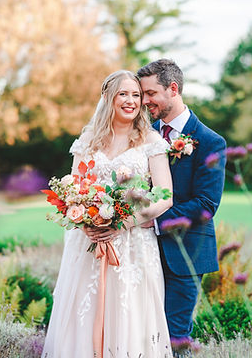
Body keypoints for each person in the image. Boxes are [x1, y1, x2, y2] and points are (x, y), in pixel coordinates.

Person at [42, 70, 174, 358]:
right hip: (88, 244)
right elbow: (73, 190)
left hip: (133, 245)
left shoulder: (150, 140)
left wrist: (123, 223)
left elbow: (165, 196)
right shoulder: (88, 140)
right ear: (107, 97)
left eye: (136, 95)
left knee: (129, 312)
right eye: (123, 94)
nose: (131, 101)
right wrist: (83, 223)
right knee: (84, 310)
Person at [137, 59, 226, 353]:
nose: (144, 101)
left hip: (186, 254)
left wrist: (153, 220)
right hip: (139, 251)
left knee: (174, 339)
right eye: (141, 94)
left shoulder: (210, 141)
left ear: (173, 89)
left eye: (150, 93)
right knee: (141, 334)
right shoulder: (141, 136)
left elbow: (205, 205)